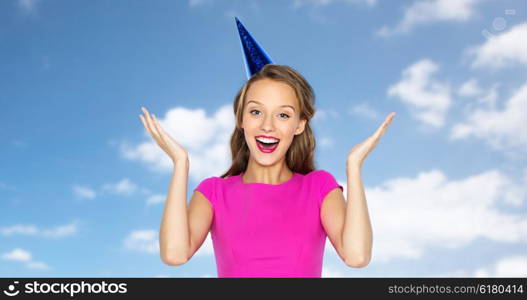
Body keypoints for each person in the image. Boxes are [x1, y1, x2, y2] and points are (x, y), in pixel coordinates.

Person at [139, 64, 395, 277]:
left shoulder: (319, 187)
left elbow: (357, 256)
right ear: (241, 119)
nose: (267, 126)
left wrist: (354, 165)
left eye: (283, 115)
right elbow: (174, 254)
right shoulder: (214, 192)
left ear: (299, 125)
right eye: (256, 112)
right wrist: (180, 163)